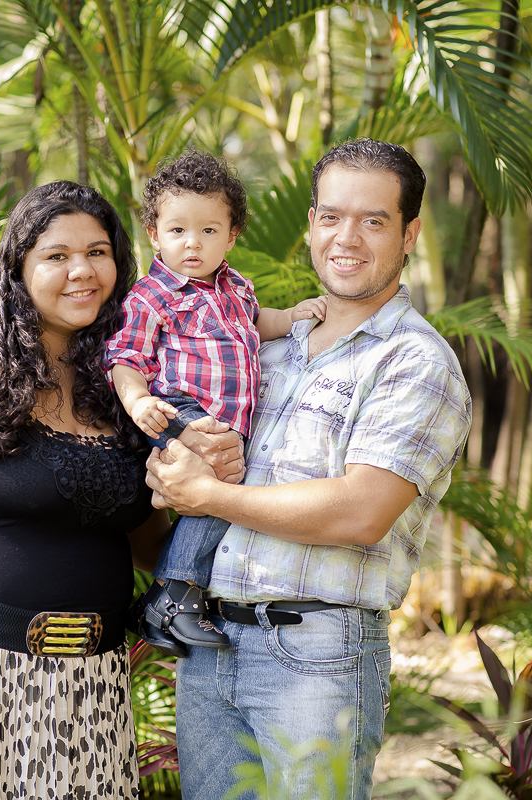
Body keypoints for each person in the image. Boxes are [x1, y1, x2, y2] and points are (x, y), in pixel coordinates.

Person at [0, 181, 242, 799]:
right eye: (56, 256)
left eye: (98, 252)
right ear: (19, 268)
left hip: (94, 685)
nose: (82, 272)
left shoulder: (126, 387)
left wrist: (208, 486)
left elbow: (146, 541)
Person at [145, 139, 473, 800]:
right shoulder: (268, 350)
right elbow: (195, 472)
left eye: (372, 221)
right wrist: (169, 474)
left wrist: (206, 494)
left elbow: (360, 510)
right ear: (311, 225)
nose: (346, 237)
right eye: (331, 216)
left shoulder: (414, 363)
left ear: (409, 234)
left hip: (316, 657)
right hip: (210, 651)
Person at [105, 151, 325, 652]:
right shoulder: (151, 295)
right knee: (218, 488)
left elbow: (258, 324)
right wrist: (137, 399)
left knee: (222, 498)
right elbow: (125, 356)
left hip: (227, 421)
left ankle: (175, 597)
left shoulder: (237, 289)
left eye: (208, 231)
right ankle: (173, 596)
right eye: (178, 230)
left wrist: (292, 314)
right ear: (154, 235)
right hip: (177, 406)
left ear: (231, 236)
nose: (192, 243)